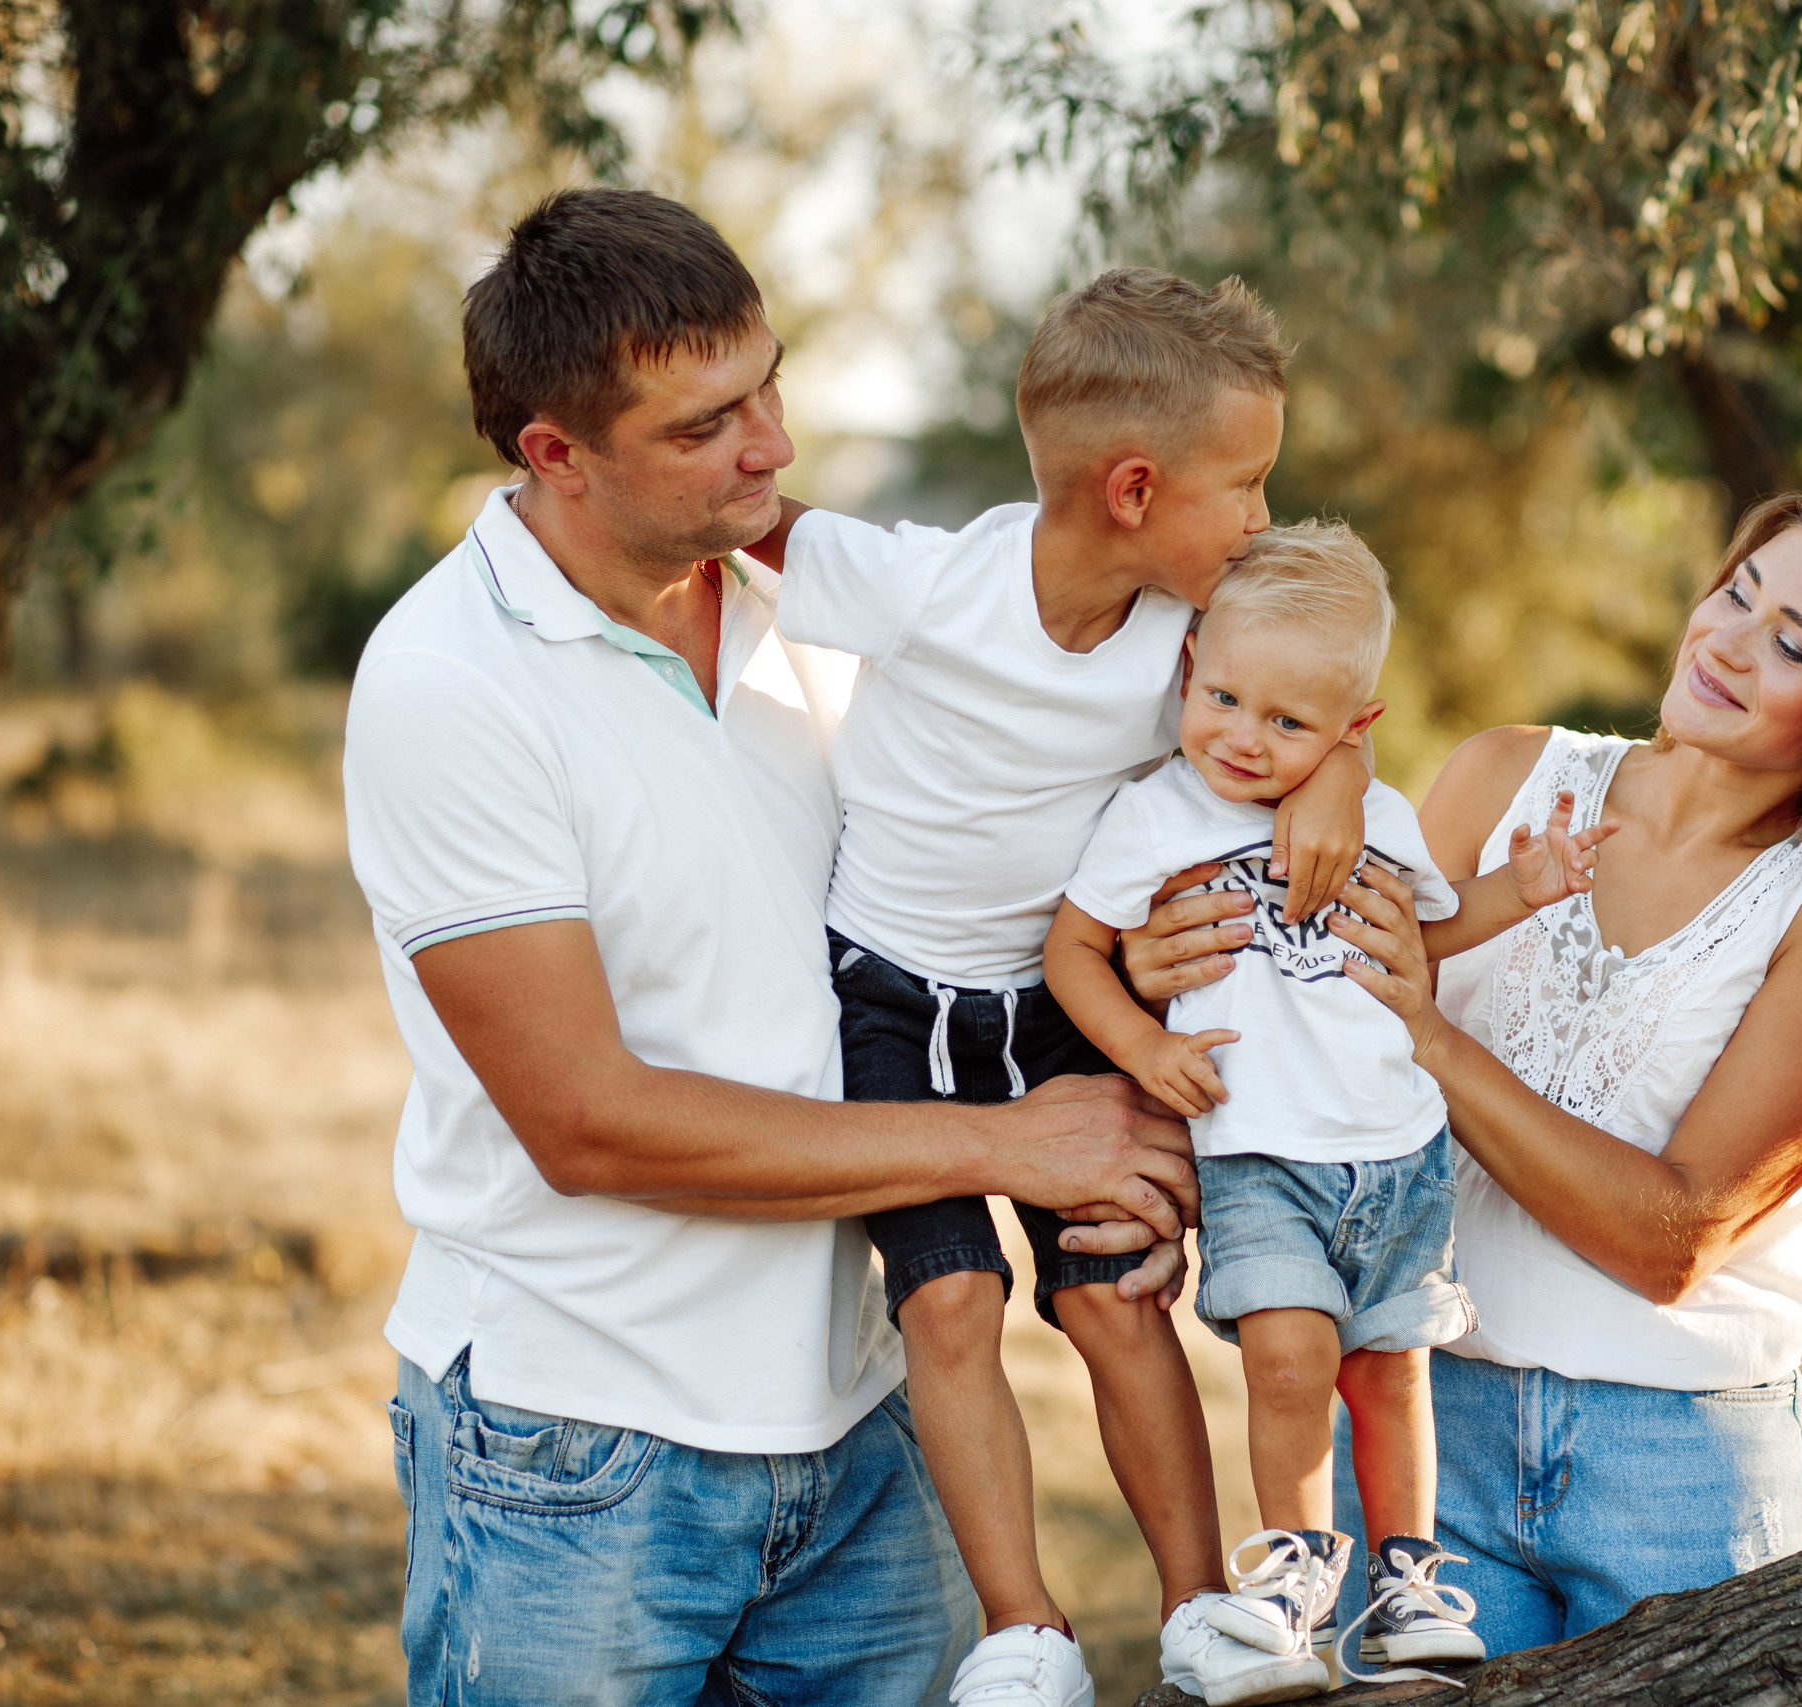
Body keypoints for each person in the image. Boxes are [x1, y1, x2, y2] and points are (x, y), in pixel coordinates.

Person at [343, 187, 1199, 1707]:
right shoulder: (448, 682)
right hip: (583, 1443)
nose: (773, 448)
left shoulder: (833, 604)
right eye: (704, 426)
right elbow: (585, 1119)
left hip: (868, 1419)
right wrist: (1011, 1142)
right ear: (556, 453)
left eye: (770, 385)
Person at [1128, 488, 1802, 1655]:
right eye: (1738, 592)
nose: (1726, 640)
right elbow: (1291, 969)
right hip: (1431, 1434)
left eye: (1790, 644)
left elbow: (1671, 1238)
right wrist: (1176, 925)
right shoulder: (1502, 778)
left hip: (1674, 1473)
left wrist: (1428, 1039)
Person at [738, 271, 1375, 1707]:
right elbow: (745, 521)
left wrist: (1342, 764)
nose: (1265, 520)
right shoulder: (929, 583)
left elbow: (1312, 696)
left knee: (1111, 1300)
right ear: (1136, 486)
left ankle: (1207, 1608)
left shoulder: (1191, 646)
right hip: (884, 1002)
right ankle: (1027, 1633)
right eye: (1250, 486)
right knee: (952, 1302)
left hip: (1048, 1009)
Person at [1046, 521, 1612, 1691]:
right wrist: (1144, 1050)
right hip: (1260, 1154)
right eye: (1224, 699)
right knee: (1292, 1359)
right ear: (1192, 662)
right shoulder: (1157, 814)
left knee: (1390, 1369)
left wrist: (1529, 885)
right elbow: (1072, 954)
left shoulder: (1378, 817)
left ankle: (1407, 1582)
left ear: (1356, 729)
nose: (1243, 740)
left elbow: (1427, 938)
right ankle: (1290, 1582)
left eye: (1288, 723)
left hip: (1397, 1151)